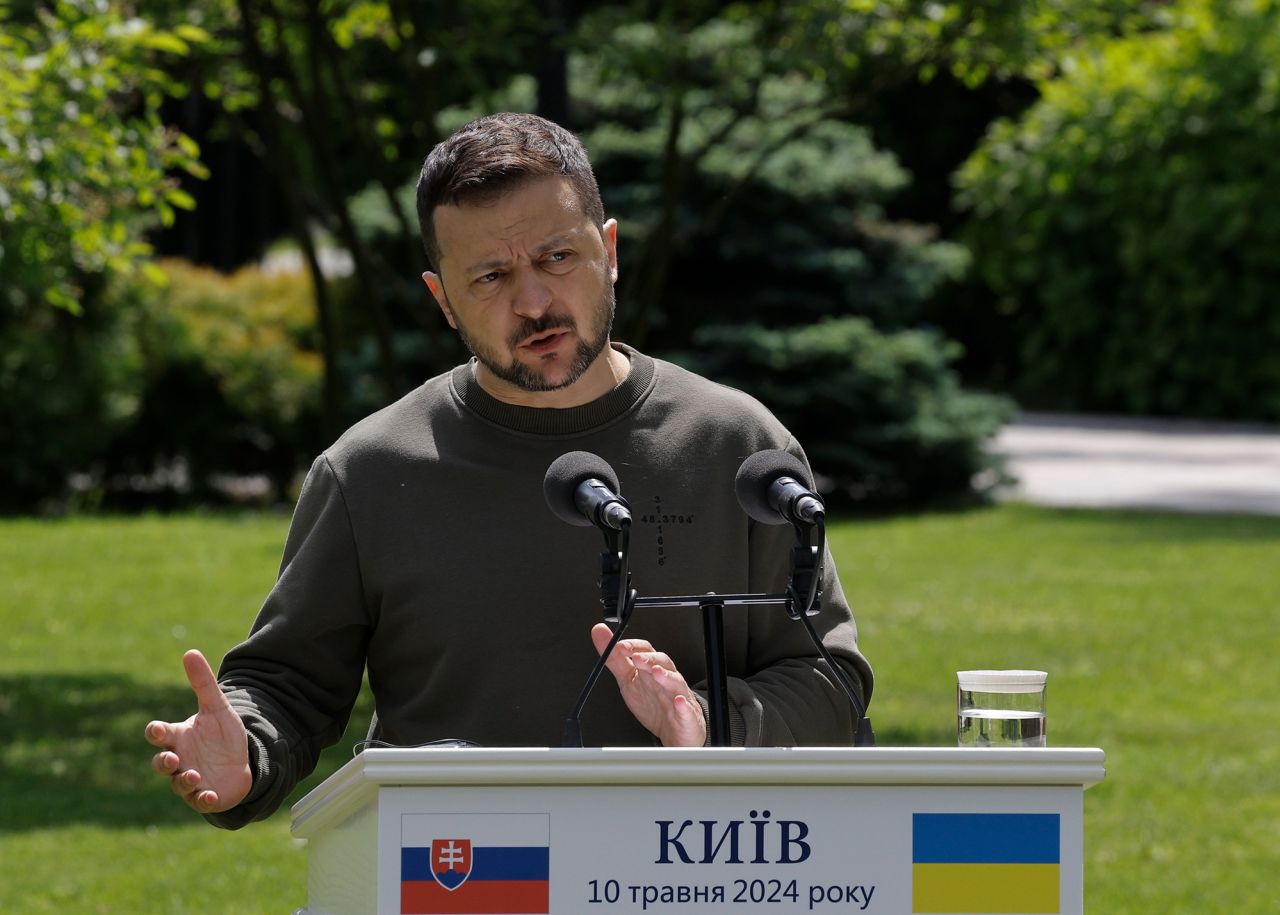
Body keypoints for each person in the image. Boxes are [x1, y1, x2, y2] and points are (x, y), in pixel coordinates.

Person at [145, 112, 874, 830]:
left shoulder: (736, 445)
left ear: (609, 250)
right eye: (491, 276)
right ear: (443, 301)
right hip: (454, 877)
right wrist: (247, 748)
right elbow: (287, 685)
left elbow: (830, 683)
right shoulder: (370, 469)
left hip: (693, 874)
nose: (533, 303)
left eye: (558, 258)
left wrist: (705, 722)